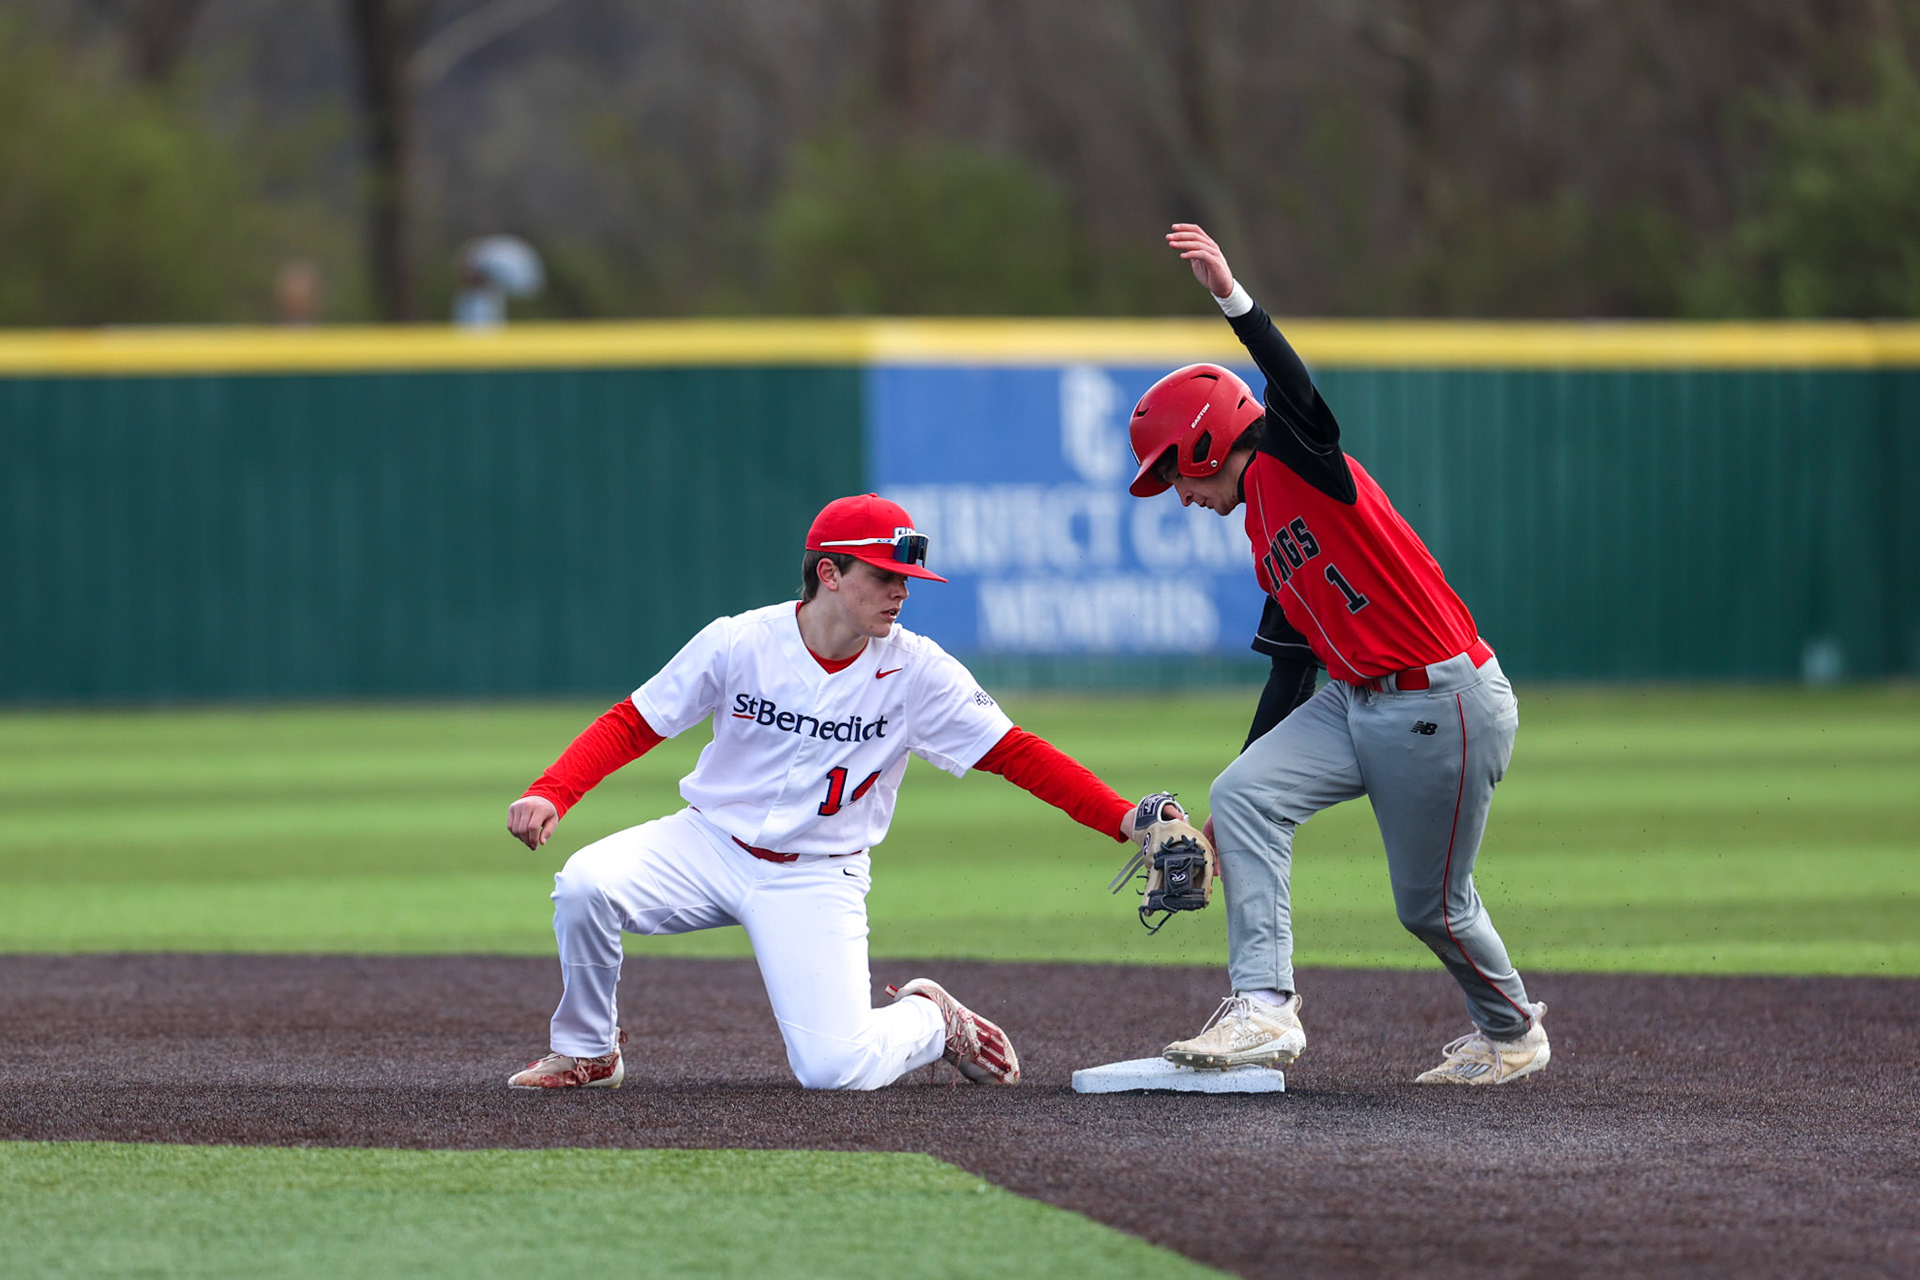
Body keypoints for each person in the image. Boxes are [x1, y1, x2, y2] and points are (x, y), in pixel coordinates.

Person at [504, 493, 1182, 1091]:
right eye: (886, 576)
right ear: (829, 572)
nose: (903, 593)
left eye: (908, 579)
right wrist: (553, 791)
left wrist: (1124, 820)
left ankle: (928, 1021)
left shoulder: (917, 671)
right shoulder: (741, 642)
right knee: (586, 884)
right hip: (707, 843)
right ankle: (589, 1051)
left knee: (834, 1072)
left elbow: (1017, 754)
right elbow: (633, 722)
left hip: (817, 874)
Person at [1126, 224, 1549, 1086]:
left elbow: (1294, 387)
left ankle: (1512, 1033)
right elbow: (1290, 671)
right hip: (1360, 702)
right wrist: (1216, 829)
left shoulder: (1301, 462)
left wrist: (1230, 298)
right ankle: (1265, 1009)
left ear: (1209, 439)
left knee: (1430, 907)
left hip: (1443, 702)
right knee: (1243, 794)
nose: (1177, 493)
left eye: (1174, 471)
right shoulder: (1261, 534)